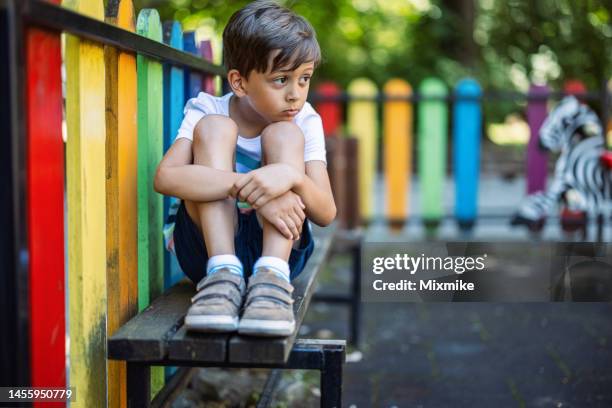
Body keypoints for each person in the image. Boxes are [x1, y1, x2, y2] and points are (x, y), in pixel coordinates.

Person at [154, 0, 336, 337]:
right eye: (281, 80)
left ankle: (271, 276)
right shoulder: (207, 108)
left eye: (304, 78)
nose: (295, 94)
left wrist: (290, 177)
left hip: (280, 249)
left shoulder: (305, 120)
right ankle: (224, 273)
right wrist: (254, 188)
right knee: (214, 127)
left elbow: (325, 212)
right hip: (207, 252)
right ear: (239, 83)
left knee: (284, 134)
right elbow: (166, 177)